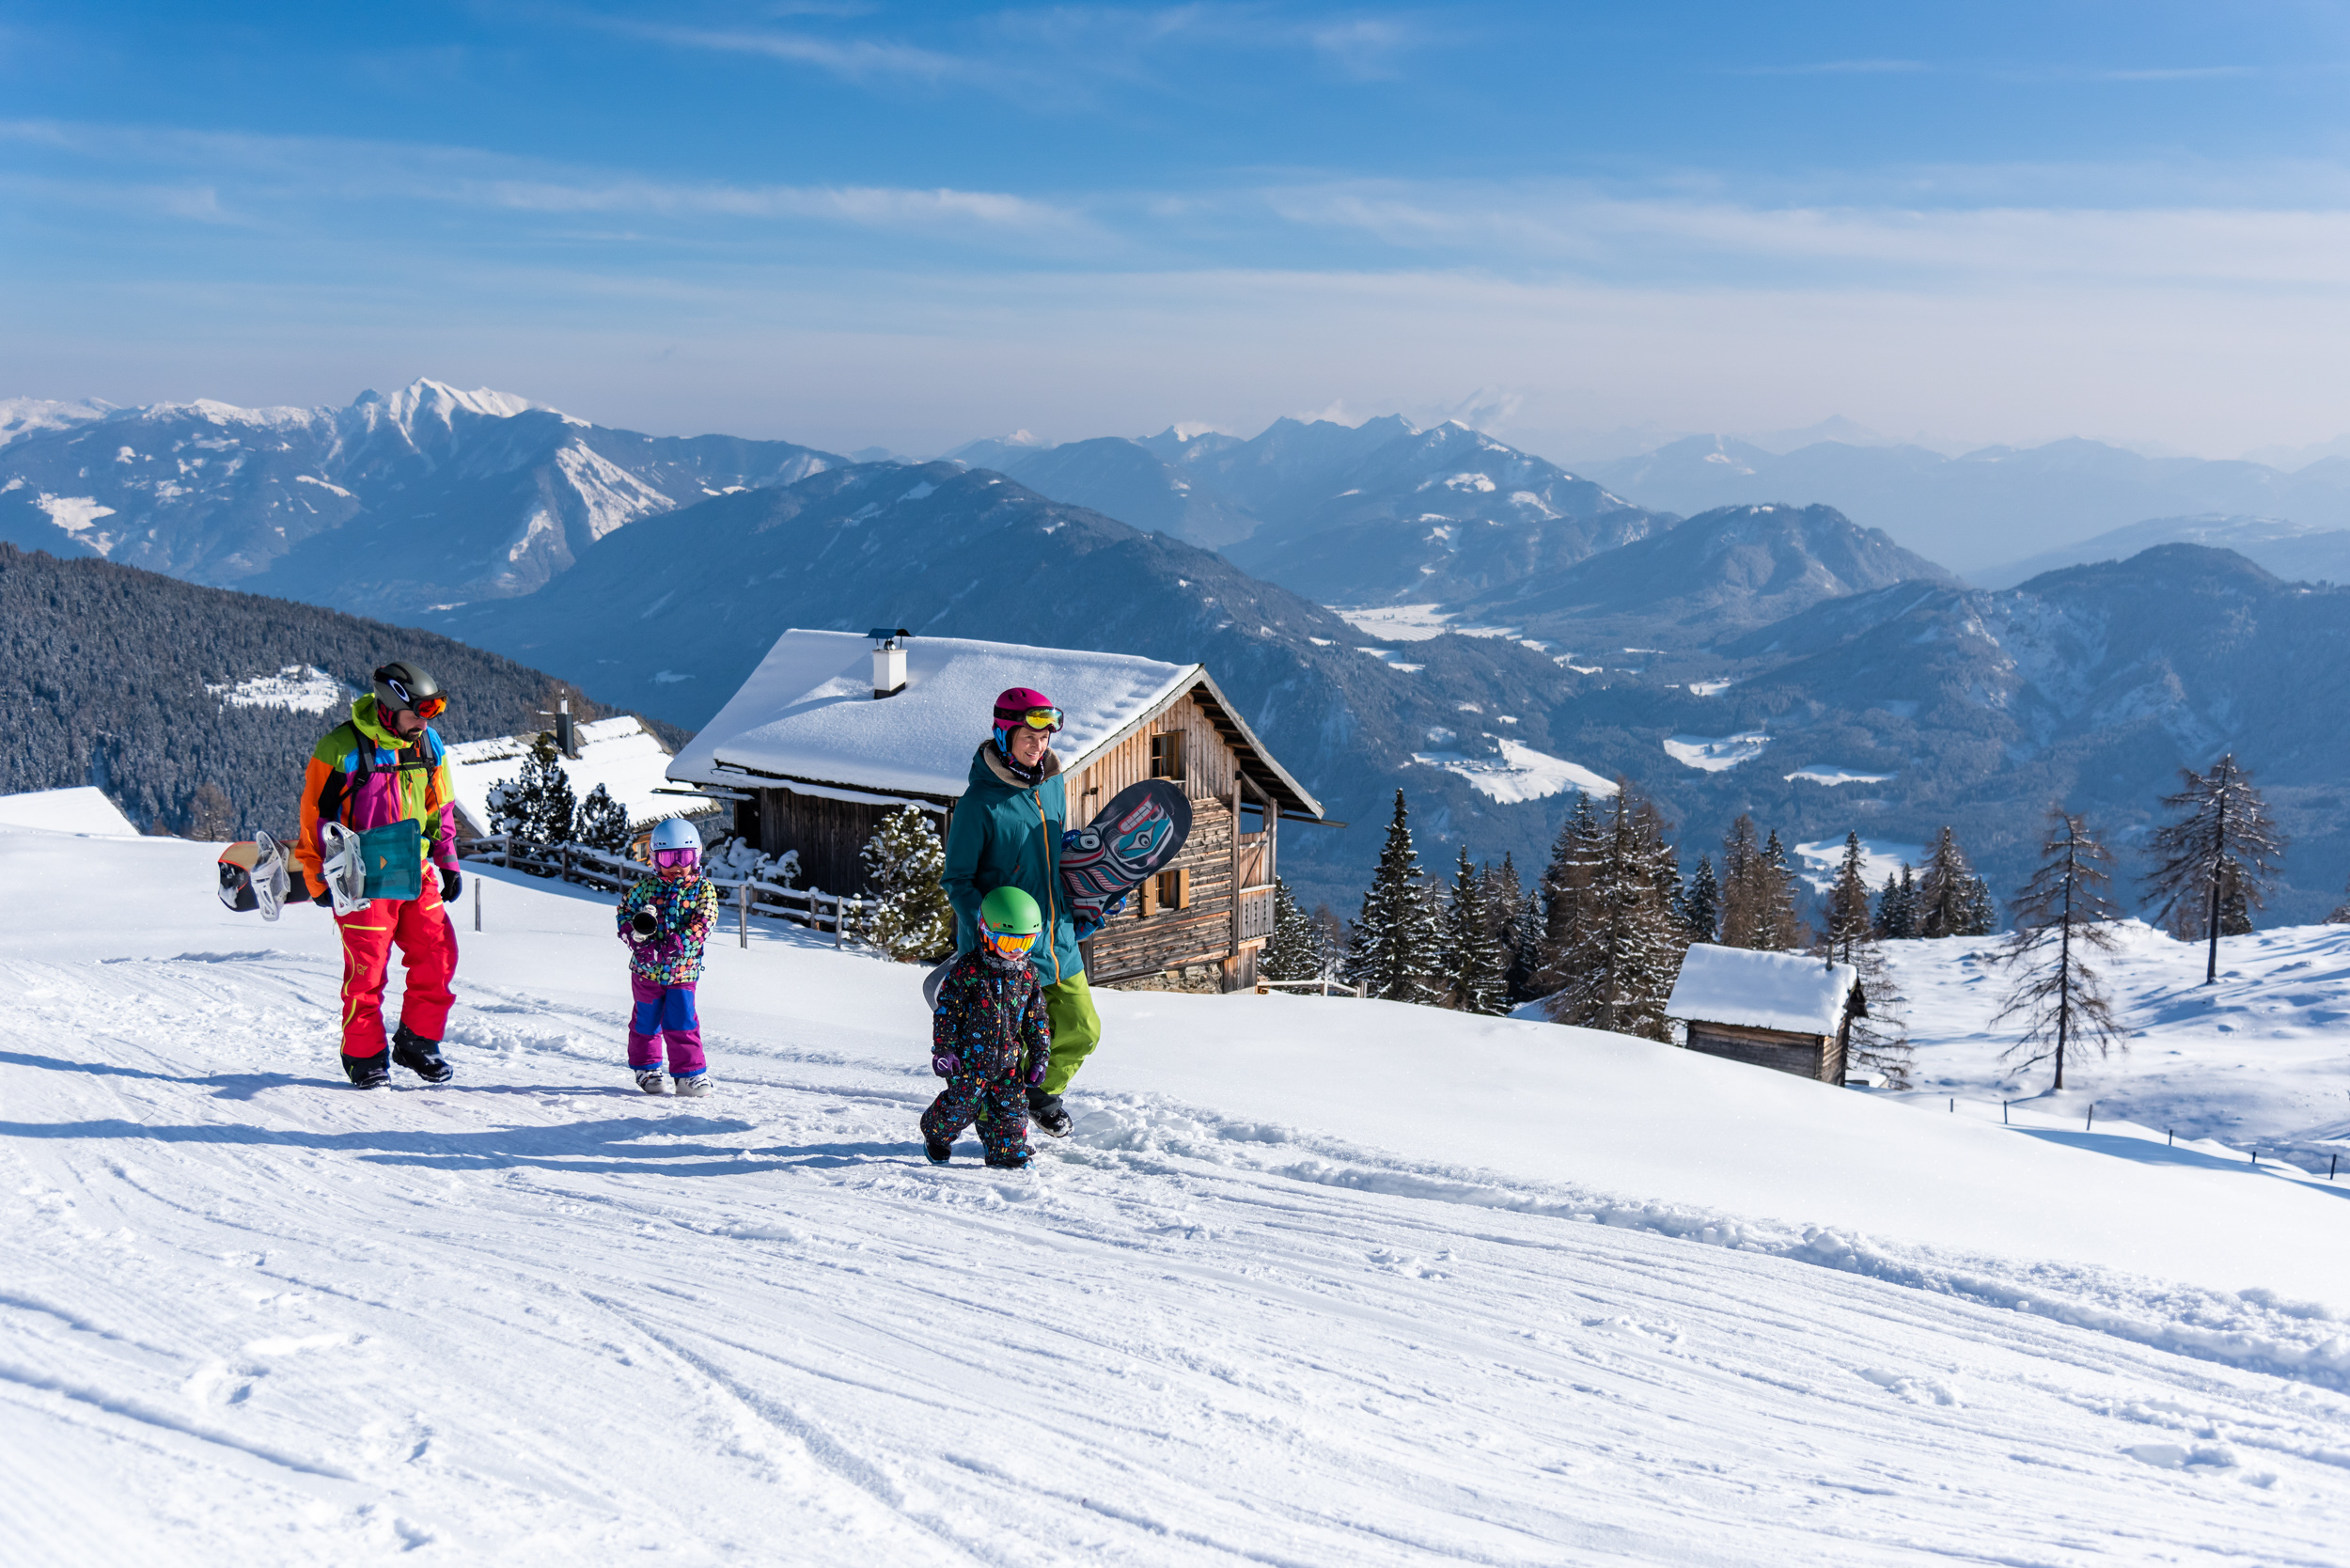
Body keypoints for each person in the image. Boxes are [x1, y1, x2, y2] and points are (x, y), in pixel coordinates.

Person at [291, 661, 462, 1089]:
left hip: (415, 869)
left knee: (439, 954)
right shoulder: (339, 748)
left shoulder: (428, 744)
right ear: (388, 707)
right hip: (360, 877)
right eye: (417, 714)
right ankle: (363, 1056)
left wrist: (447, 859)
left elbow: (440, 806)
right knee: (367, 971)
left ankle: (417, 1042)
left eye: (431, 714)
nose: (423, 724)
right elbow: (314, 817)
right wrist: (317, 877)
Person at [941, 685, 1102, 1138]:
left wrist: (1087, 895)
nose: (1039, 746)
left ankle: (1035, 1095)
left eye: (1045, 737)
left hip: (1057, 939)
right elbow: (957, 881)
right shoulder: (979, 803)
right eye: (1029, 737)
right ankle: (997, 1126)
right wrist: (987, 929)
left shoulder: (1053, 783)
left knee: (1082, 1028)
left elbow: (1051, 858)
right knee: (1001, 1048)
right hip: (1005, 947)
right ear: (1003, 734)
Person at [922, 886, 1051, 1168]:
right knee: (960, 1108)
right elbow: (947, 1013)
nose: (1017, 951)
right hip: (969, 1063)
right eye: (1007, 942)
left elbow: (1036, 1019)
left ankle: (1007, 1155)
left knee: (1012, 1111)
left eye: (1027, 942)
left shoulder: (1028, 974)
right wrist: (944, 1050)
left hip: (1009, 1064)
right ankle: (936, 1135)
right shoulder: (968, 970)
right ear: (986, 931)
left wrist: (1040, 1057)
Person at [616, 818, 720, 1096]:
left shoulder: (703, 889)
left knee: (683, 1022)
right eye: (667, 858)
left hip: (683, 972)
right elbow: (624, 914)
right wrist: (638, 941)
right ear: (654, 859)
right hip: (646, 972)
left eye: (682, 857)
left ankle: (688, 1075)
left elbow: (705, 922)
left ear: (695, 857)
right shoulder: (645, 889)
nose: (675, 865)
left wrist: (678, 944)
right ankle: (647, 1068)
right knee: (646, 1021)